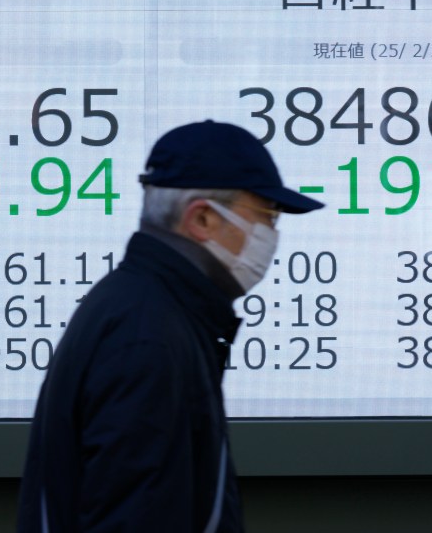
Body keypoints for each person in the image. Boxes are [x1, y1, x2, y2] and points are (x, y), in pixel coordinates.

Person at [17, 120, 323, 532]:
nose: (271, 234)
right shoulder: (148, 338)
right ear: (203, 220)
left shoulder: (145, 309)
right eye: (266, 215)